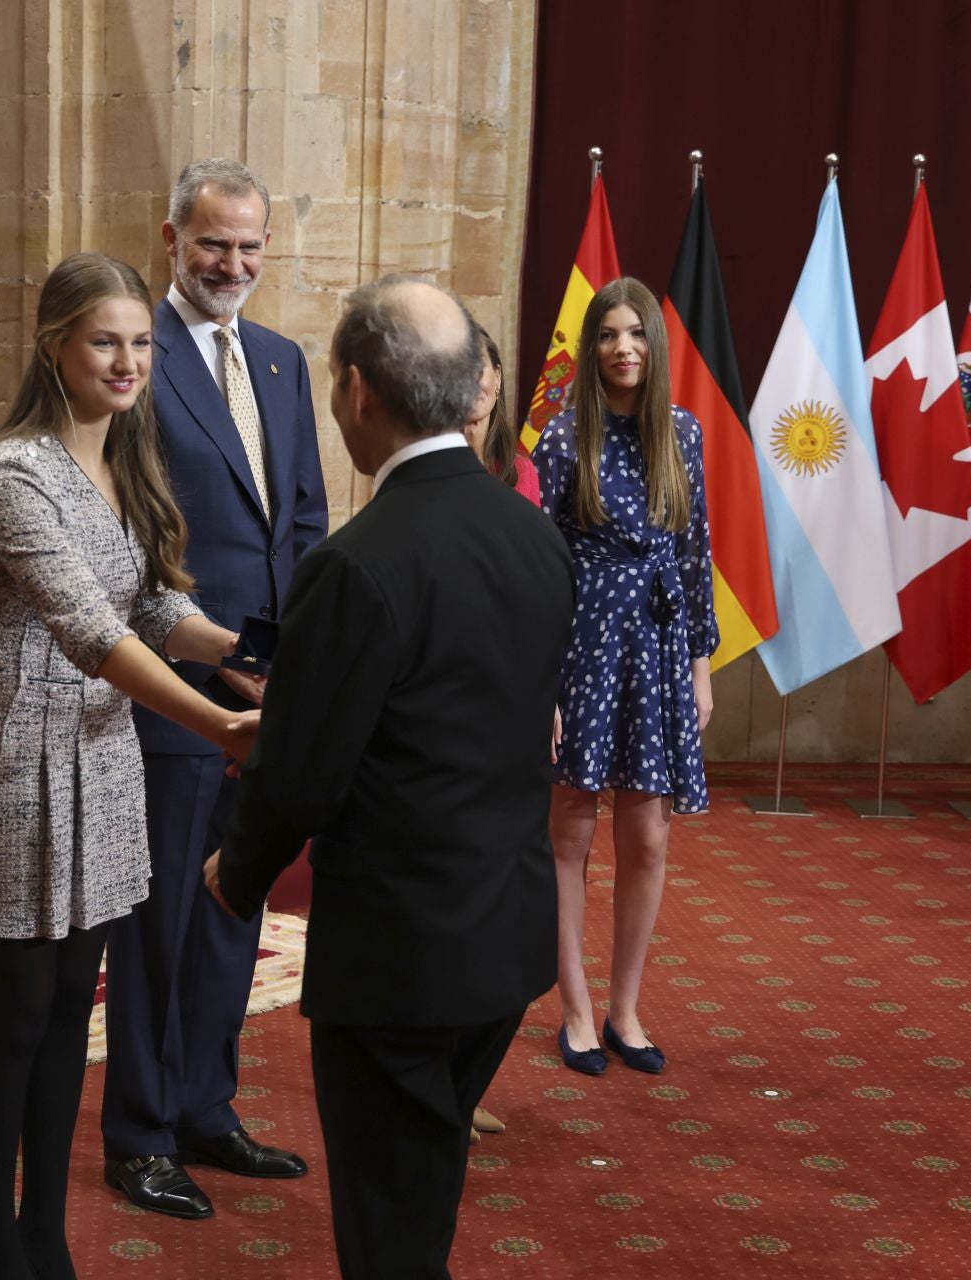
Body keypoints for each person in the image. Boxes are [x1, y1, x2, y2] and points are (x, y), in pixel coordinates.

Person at [204, 276, 574, 1279]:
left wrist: (237, 873)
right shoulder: (537, 536)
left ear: (358, 391)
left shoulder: (358, 562)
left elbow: (305, 774)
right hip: (506, 931)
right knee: (424, 1185)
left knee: (387, 1223)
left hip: (402, 954)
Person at [0, 253, 259, 1280]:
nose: (129, 360)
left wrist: (249, 666)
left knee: (71, 1007)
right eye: (106, 340)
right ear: (55, 343)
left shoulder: (125, 457)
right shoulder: (13, 471)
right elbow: (88, 628)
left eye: (142, 342)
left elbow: (151, 609)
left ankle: (46, 1235)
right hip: (14, 749)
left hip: (99, 754)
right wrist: (217, 725)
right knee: (13, 1011)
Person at [101, 158, 324, 1218]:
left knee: (234, 901)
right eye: (212, 244)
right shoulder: (136, 358)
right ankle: (140, 1131)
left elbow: (306, 527)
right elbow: (128, 536)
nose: (232, 263)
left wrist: (296, 660)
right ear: (171, 238)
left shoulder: (282, 361)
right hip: (174, 684)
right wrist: (211, 656)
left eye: (249, 246)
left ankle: (205, 1105)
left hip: (268, 695)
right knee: (159, 922)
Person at [531, 277, 717, 1077]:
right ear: (592, 346)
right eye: (608, 334)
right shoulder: (562, 437)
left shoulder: (683, 431)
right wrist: (541, 683)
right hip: (584, 643)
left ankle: (625, 1008)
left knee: (647, 834)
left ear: (655, 346)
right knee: (570, 826)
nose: (623, 348)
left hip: (662, 647)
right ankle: (573, 1005)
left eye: (636, 334)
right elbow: (540, 568)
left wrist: (701, 669)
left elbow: (695, 552)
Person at [460, 326, 537, 1143]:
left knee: (509, 914)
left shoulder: (524, 475)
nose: (478, 386)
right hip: (454, 703)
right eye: (465, 370)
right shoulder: (414, 473)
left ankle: (468, 1075)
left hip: (515, 703)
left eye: (487, 372)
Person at [465, 327, 541, 504]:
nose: (468, 380)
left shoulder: (522, 471)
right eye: (456, 370)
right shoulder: (426, 469)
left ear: (497, 376)